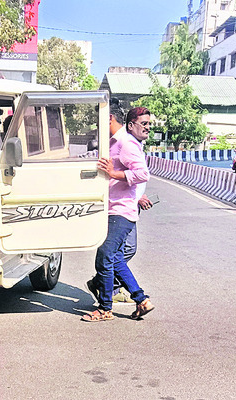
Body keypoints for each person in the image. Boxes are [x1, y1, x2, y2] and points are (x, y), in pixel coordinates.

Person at [82, 100, 154, 322]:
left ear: (110, 118)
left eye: (99, 120)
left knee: (104, 257)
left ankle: (105, 308)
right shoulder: (114, 142)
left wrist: (114, 174)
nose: (96, 125)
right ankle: (141, 300)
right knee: (116, 260)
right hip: (114, 208)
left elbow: (142, 174)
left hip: (121, 212)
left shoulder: (125, 142)